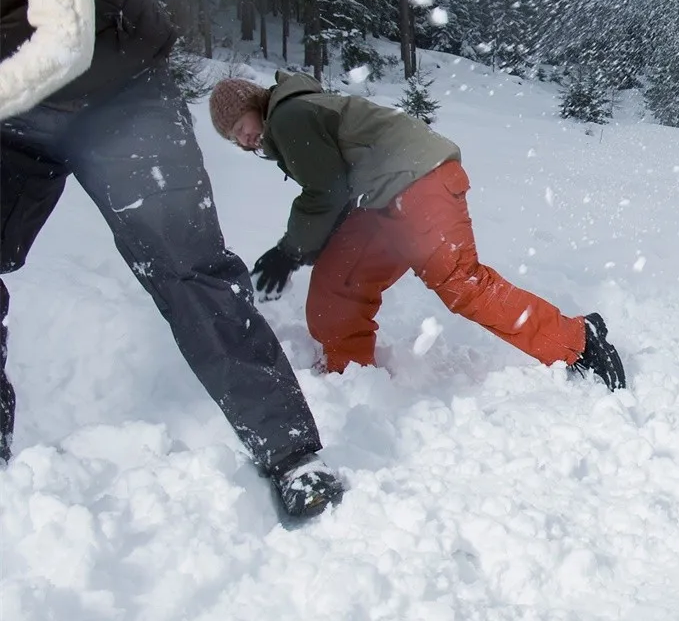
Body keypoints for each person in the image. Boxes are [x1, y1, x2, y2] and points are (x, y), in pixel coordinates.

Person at [0, 0, 342, 522]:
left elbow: (67, 41)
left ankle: (291, 454)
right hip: (15, 115)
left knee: (189, 270)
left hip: (118, 93)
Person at [208, 72, 626, 390]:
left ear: (253, 103)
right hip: (385, 198)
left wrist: (290, 249)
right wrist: (308, 246)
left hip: (418, 182)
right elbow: (336, 186)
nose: (242, 139)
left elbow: (326, 189)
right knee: (338, 282)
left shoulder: (288, 116)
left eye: (239, 125)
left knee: (460, 282)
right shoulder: (290, 116)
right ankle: (349, 377)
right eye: (232, 138)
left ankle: (578, 340)